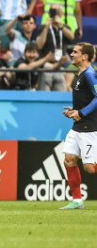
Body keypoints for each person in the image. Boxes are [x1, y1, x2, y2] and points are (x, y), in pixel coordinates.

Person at [61, 42, 97, 209]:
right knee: (69, 160)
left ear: (85, 56)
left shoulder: (90, 74)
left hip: (89, 127)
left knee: (90, 168)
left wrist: (81, 113)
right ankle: (77, 200)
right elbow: (87, 99)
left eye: (75, 52)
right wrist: (75, 111)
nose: (72, 54)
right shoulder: (80, 74)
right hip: (77, 127)